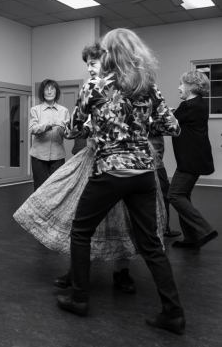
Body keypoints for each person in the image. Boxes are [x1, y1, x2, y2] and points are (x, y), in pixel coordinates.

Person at [56, 28, 185, 335]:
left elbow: (73, 129)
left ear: (108, 54)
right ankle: (174, 313)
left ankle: (79, 298)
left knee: (81, 231)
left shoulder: (94, 86)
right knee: (152, 244)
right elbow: (172, 126)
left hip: (110, 172)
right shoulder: (148, 87)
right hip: (143, 173)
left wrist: (94, 123)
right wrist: (143, 122)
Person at [52, 43, 138, 294]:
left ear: (108, 62)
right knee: (81, 217)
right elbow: (75, 129)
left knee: (122, 220)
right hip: (93, 161)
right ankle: (77, 272)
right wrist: (85, 126)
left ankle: (122, 272)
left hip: (124, 164)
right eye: (87, 63)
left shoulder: (128, 89)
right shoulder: (90, 90)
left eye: (93, 62)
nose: (89, 68)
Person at [169, 71, 218, 249]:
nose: (178, 87)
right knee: (184, 196)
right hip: (194, 158)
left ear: (191, 86)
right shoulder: (198, 104)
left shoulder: (188, 106)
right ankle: (191, 238)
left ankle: (204, 230)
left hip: (190, 160)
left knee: (174, 195)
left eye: (181, 84)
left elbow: (169, 122)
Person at [29, 79, 70, 191]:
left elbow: (67, 135)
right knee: (40, 189)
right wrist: (48, 125)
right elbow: (32, 129)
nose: (49, 91)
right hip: (38, 156)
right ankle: (38, 209)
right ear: (42, 92)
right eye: (46, 89)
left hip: (58, 156)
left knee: (57, 189)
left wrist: (65, 130)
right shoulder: (35, 110)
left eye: (52, 89)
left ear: (56, 92)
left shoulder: (64, 111)